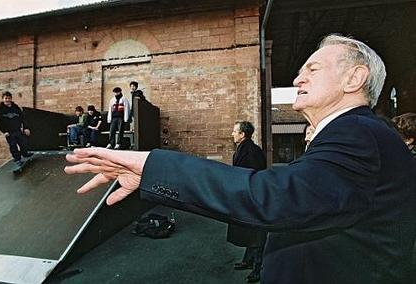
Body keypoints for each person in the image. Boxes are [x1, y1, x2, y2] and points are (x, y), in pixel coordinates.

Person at [65, 34, 416, 284]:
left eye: (313, 68)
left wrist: (152, 166)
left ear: (355, 78)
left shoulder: (358, 133)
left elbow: (279, 198)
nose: (298, 77)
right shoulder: (358, 133)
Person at [228, 121, 267, 283]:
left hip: (252, 197)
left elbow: (253, 174)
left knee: (256, 232)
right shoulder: (246, 148)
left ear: (242, 134)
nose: (232, 134)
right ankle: (248, 260)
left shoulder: (250, 151)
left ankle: (257, 269)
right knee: (249, 229)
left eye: (234, 131)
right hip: (246, 195)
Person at [0, 91, 33, 166]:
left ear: (11, 99)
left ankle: (25, 154)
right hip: (9, 132)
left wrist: (25, 128)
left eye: (9, 98)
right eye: (5, 98)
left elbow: (22, 118)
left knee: (23, 143)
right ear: (3, 99)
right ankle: (17, 159)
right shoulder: (0, 110)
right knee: (13, 146)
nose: (7, 100)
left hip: (17, 130)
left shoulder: (15, 107)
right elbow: (0, 122)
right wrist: (4, 131)